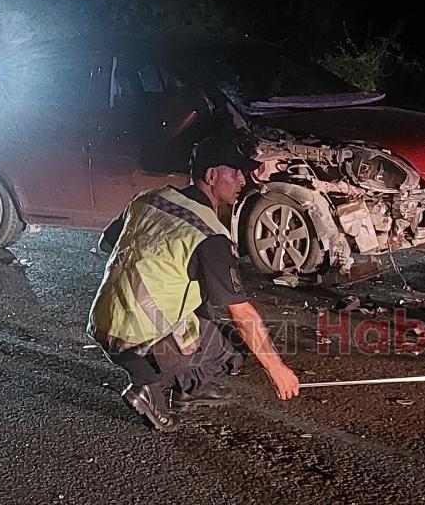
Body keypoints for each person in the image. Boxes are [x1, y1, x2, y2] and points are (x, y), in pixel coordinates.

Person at [87, 136, 300, 431]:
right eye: (236, 172)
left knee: (201, 306)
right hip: (140, 339)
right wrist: (278, 370)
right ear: (212, 176)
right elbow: (243, 314)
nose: (243, 180)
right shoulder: (209, 235)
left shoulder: (149, 198)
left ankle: (185, 384)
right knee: (235, 346)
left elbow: (106, 243)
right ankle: (149, 386)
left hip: (102, 323)